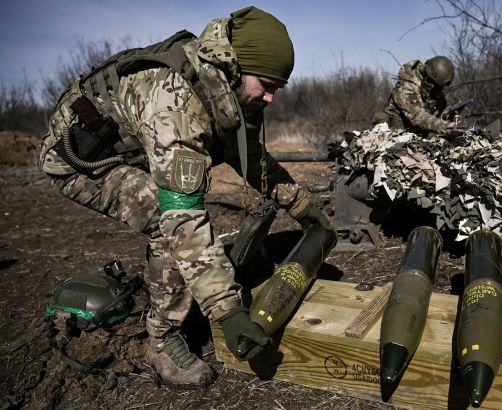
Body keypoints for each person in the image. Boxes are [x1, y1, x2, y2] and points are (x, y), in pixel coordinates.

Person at [38, 6, 332, 387]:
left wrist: (303, 208)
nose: (272, 98)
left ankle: (180, 299)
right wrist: (228, 312)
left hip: (133, 148)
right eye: (267, 84)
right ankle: (161, 340)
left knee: (178, 219)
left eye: (279, 87)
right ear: (238, 67)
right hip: (79, 162)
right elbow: (183, 217)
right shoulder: (175, 104)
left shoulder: (228, 92)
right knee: (168, 224)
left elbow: (253, 159)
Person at [373, 56, 456, 135]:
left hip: (416, 135)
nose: (438, 90)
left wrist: (450, 113)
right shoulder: (405, 89)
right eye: (437, 86)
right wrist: (443, 126)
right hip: (394, 135)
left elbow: (440, 111)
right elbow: (418, 117)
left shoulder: (431, 89)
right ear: (429, 79)